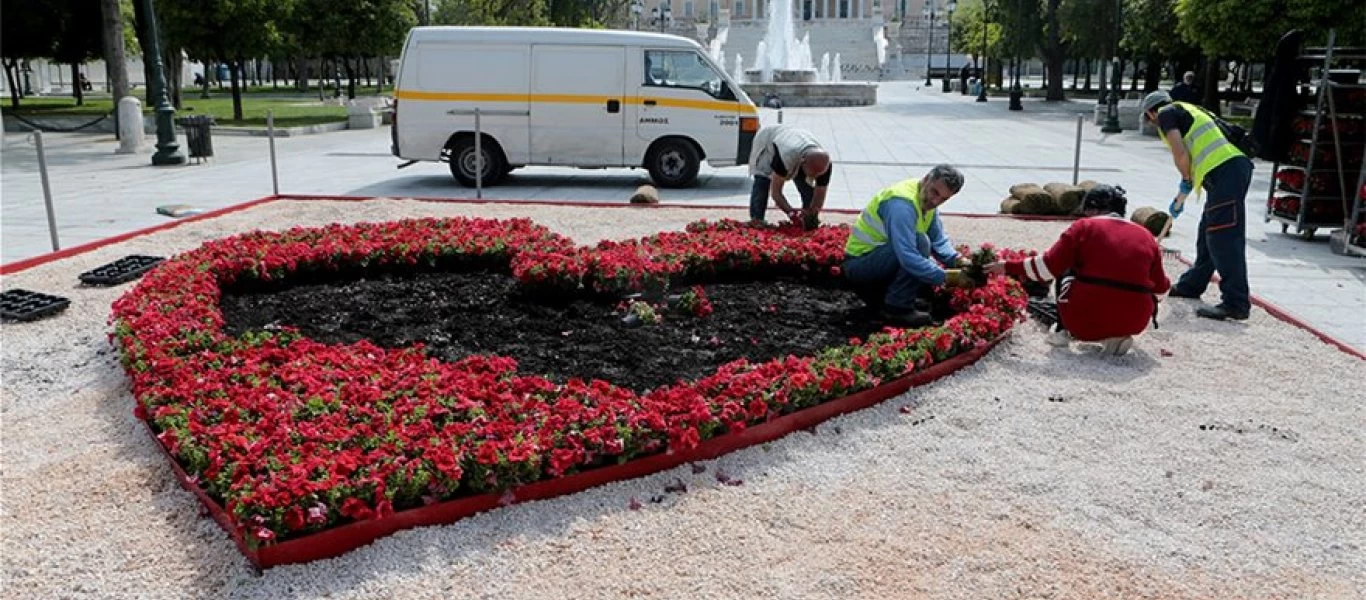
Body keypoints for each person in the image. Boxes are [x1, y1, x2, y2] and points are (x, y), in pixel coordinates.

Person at [987, 185, 1170, 356]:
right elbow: (1161, 288)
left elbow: (1047, 268)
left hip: (1084, 318)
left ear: (1091, 209)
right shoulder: (1146, 236)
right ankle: (1116, 337)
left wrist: (1007, 266)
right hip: (1134, 320)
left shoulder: (1084, 227)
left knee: (1066, 268)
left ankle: (1062, 331)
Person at [1141, 89, 1254, 321]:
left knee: (1223, 236)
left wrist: (1185, 181)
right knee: (1208, 232)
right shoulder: (1188, 109)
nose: (1152, 123)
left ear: (1151, 112)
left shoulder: (1166, 114)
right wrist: (1181, 197)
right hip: (1230, 170)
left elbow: (1180, 152)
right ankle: (1192, 285)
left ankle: (1236, 302)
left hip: (1224, 171)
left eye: (1148, 119)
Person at [842, 165, 973, 327]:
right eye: (935, 192)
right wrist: (948, 277)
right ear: (926, 179)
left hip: (879, 261)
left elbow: (938, 240)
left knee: (922, 243)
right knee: (920, 243)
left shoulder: (924, 199)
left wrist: (958, 261)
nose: (935, 201)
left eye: (944, 199)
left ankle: (893, 298)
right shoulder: (902, 203)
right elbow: (907, 256)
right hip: (860, 266)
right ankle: (897, 308)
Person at [747, 124, 832, 228]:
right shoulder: (785, 158)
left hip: (795, 143)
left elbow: (819, 195)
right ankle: (757, 218)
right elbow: (776, 193)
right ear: (803, 162)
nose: (814, 177)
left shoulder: (825, 165)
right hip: (768, 141)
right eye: (811, 174)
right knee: (762, 180)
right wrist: (791, 213)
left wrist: (812, 214)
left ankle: (806, 219)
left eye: (816, 175)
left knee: (807, 189)